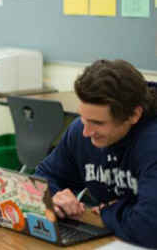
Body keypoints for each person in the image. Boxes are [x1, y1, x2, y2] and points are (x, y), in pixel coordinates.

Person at [35, 59, 157, 248]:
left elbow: (149, 228)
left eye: (98, 123)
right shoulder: (80, 131)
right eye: (83, 118)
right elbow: (42, 178)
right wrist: (54, 196)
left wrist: (110, 211)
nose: (86, 132)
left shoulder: (152, 142)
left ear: (134, 115)